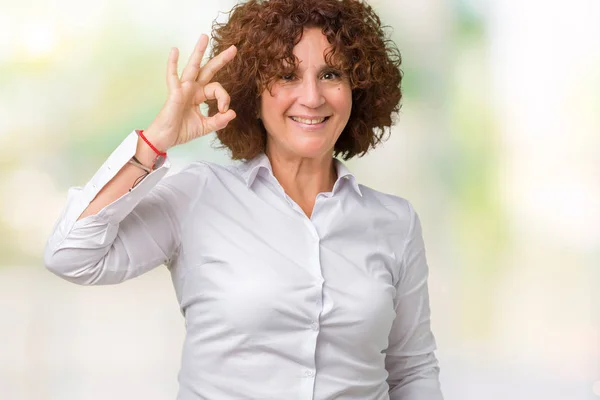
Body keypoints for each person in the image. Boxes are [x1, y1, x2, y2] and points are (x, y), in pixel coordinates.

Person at [44, 0, 444, 398]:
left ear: (357, 86)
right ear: (253, 91)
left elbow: (412, 371)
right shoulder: (199, 196)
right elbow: (71, 255)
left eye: (331, 73)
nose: (312, 97)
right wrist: (153, 142)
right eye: (287, 75)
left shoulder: (395, 222)